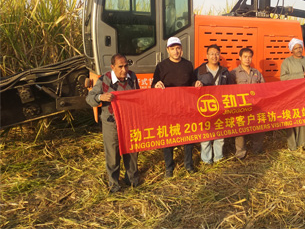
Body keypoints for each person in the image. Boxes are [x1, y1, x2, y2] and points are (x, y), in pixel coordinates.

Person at [86, 53, 140, 193]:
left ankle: (132, 180)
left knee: (132, 152)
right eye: (120, 67)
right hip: (112, 124)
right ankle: (114, 184)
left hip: (129, 122)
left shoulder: (132, 78)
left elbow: (138, 96)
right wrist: (101, 97)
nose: (124, 70)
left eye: (126, 66)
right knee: (113, 154)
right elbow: (90, 98)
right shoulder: (104, 80)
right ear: (112, 67)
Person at [152, 37, 202, 177]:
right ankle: (169, 167)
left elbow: (192, 81)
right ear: (168, 50)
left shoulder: (188, 64)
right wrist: (156, 85)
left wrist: (196, 84)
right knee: (169, 137)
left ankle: (188, 164)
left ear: (182, 49)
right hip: (168, 108)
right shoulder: (161, 66)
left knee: (188, 136)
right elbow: (154, 84)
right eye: (172, 48)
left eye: (178, 48)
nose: (176, 51)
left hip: (185, 107)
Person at [195, 44, 233, 164]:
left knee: (220, 134)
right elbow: (191, 86)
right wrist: (195, 85)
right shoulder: (199, 71)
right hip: (204, 107)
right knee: (205, 136)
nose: (214, 56)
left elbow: (231, 88)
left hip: (221, 107)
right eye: (211, 53)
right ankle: (206, 160)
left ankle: (218, 158)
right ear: (207, 56)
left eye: (217, 53)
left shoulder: (225, 71)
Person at [230, 48, 266, 159]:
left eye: (249, 57)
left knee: (258, 128)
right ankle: (240, 153)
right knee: (240, 129)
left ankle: (257, 150)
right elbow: (229, 91)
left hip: (255, 106)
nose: (247, 59)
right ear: (240, 58)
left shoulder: (256, 73)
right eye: (245, 56)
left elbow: (264, 88)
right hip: (240, 107)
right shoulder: (233, 73)